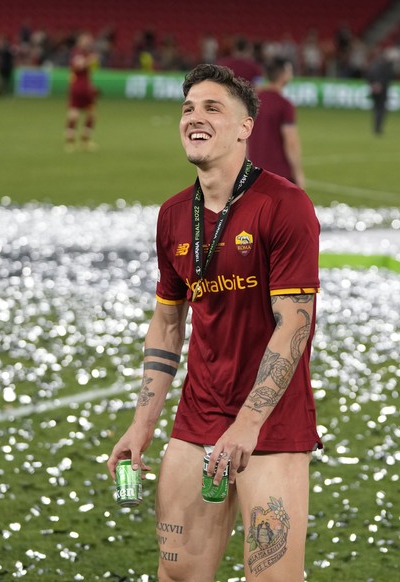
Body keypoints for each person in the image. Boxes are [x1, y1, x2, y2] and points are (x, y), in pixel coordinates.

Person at [107, 63, 321, 581]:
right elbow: (167, 323)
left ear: (245, 126)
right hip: (197, 417)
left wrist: (247, 425)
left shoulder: (285, 206)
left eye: (211, 108)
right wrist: (142, 424)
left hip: (270, 426)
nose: (194, 117)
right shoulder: (174, 214)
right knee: (178, 575)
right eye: (187, 108)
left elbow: (294, 324)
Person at [247, 57, 305, 187]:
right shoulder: (284, 105)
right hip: (280, 174)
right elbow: (291, 142)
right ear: (283, 74)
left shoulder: (253, 101)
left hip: (254, 173)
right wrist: (298, 173)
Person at [65, 33, 98, 151]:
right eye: (86, 41)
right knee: (81, 112)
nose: (88, 43)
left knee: (82, 112)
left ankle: (74, 141)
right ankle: (79, 141)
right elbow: (79, 66)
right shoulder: (78, 53)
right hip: (80, 86)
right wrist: (90, 60)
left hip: (82, 85)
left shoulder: (83, 53)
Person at [367, 47, 400, 135]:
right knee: (381, 109)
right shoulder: (386, 66)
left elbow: (369, 75)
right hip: (382, 90)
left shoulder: (373, 65)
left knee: (376, 109)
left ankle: (376, 127)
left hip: (374, 89)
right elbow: (390, 77)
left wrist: (372, 84)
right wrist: (380, 84)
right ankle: (378, 127)